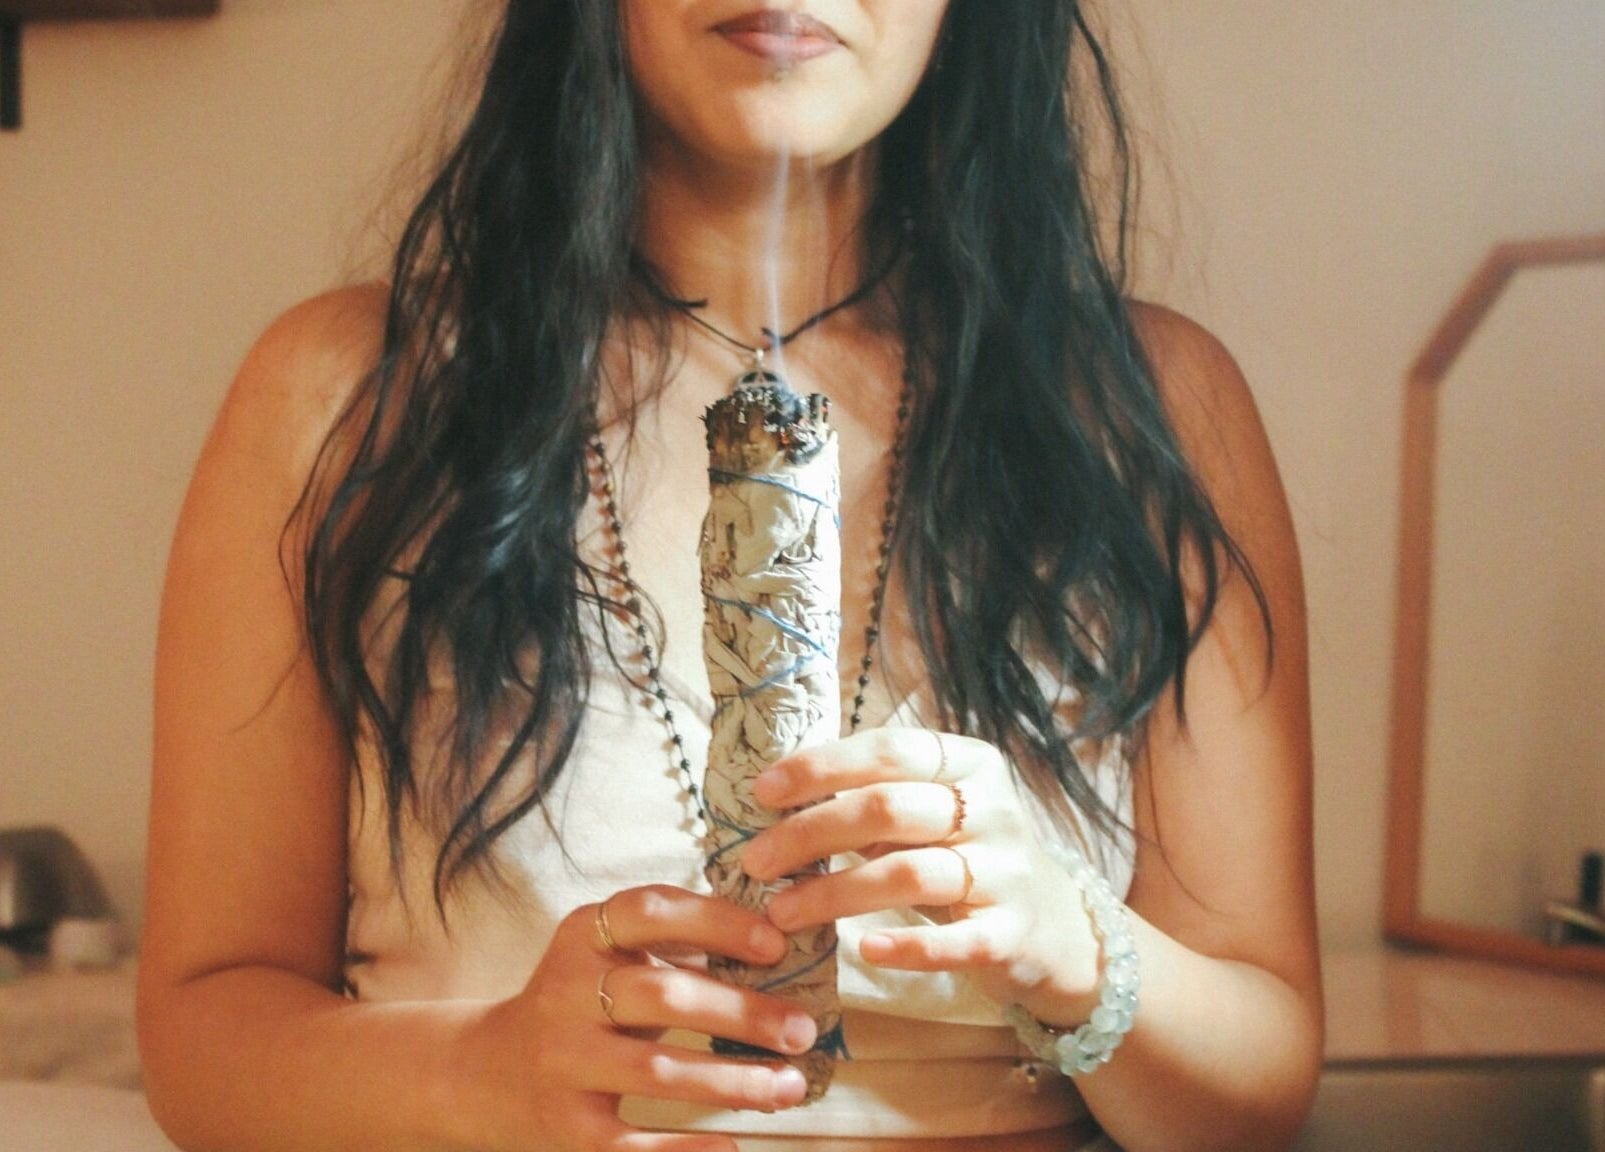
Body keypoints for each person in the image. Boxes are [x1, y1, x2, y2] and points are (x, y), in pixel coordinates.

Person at [138, 3, 1322, 1150]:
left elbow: (1260, 1090)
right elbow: (203, 1035)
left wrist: (1083, 951)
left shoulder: (1152, 416)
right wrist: (476, 1070)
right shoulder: (346, 400)